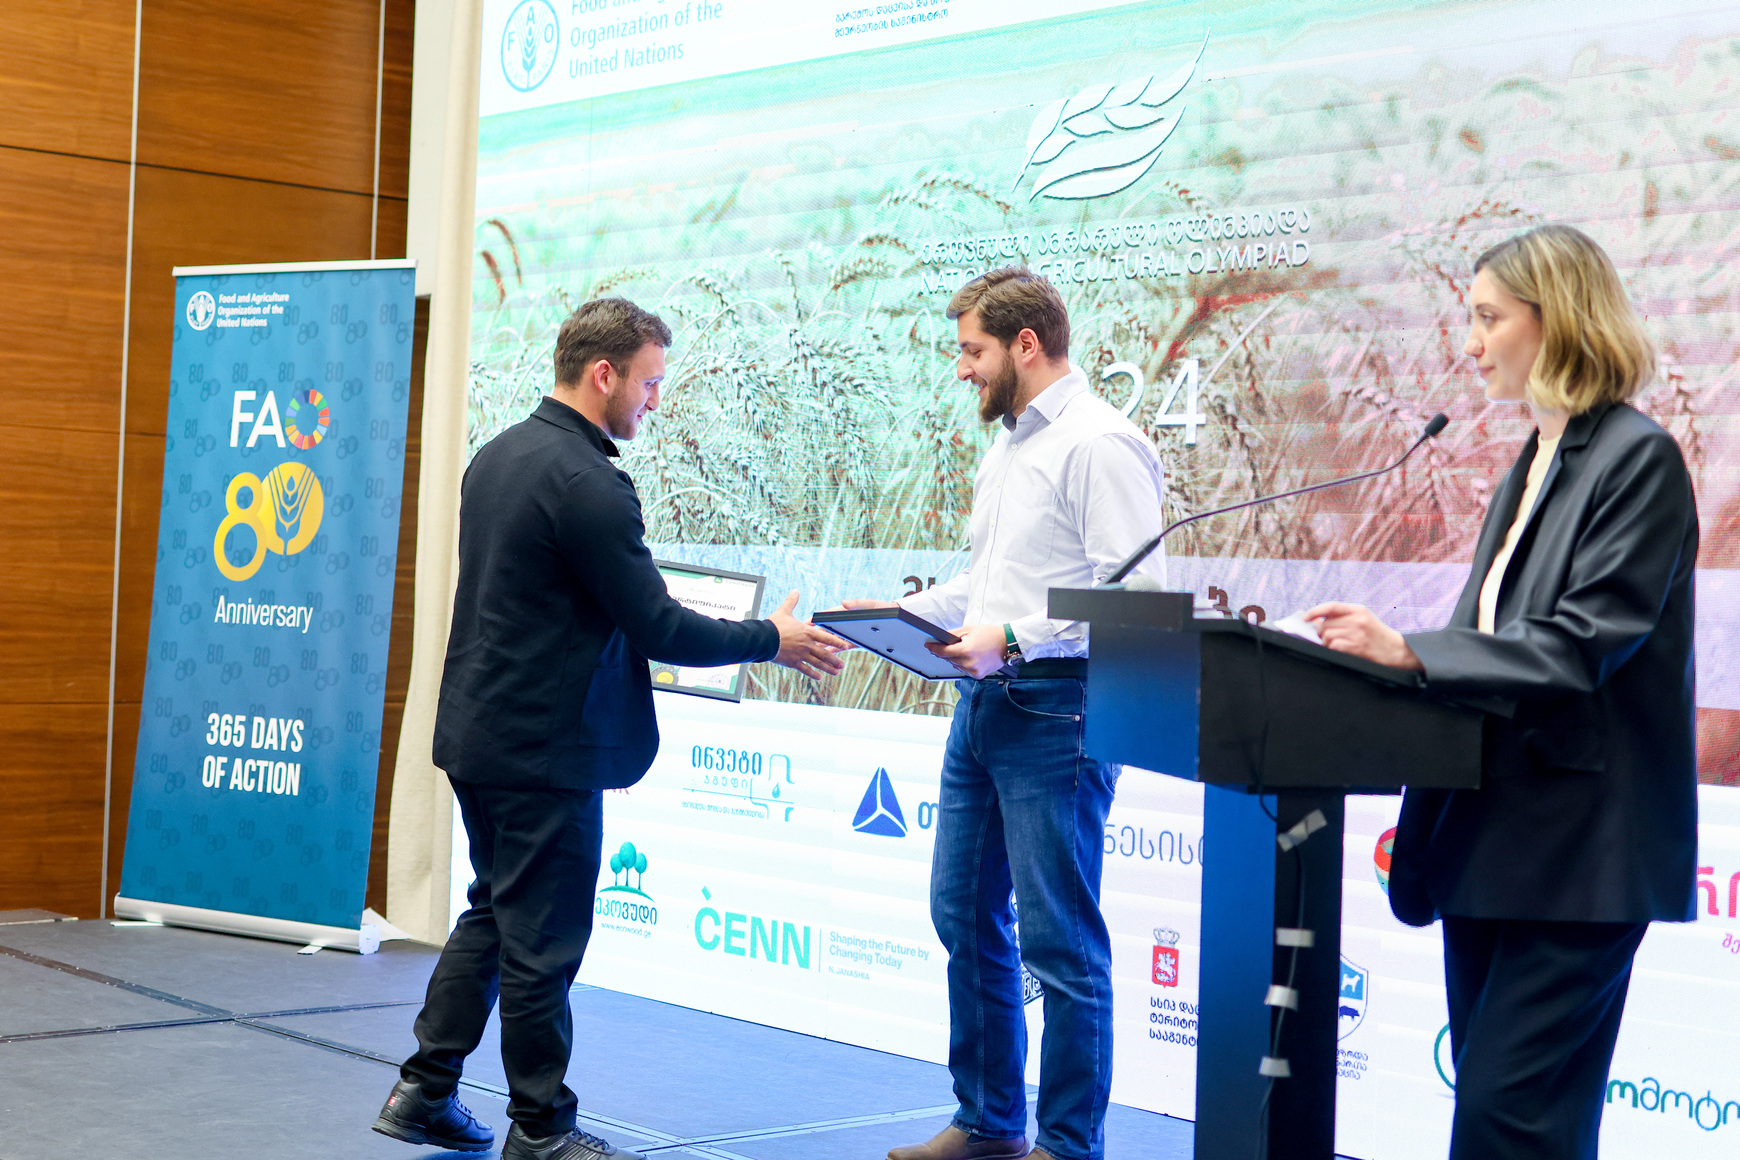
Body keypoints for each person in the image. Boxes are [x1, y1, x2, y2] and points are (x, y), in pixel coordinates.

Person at [370, 297, 848, 1160]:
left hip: (481, 734)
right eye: (650, 382)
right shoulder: (588, 483)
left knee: (497, 912)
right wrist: (769, 638)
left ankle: (423, 1091)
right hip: (543, 752)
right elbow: (660, 627)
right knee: (542, 944)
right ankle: (541, 1130)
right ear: (604, 375)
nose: (656, 400)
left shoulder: (498, 455)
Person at [1304, 224, 1697, 1160]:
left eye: (1488, 318)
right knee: (1517, 1127)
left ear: (1556, 319)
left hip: (1582, 857)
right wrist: (1384, 665)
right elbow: (1495, 640)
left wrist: (1413, 652)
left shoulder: (1636, 459)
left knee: (1504, 1122)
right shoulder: (1535, 458)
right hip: (1494, 839)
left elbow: (1579, 645)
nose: (1470, 343)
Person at [843, 266, 1167, 1160]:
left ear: (1026, 345)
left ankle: (1067, 1146)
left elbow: (1137, 600)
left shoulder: (1101, 443)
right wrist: (898, 617)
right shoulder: (1011, 445)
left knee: (1061, 943)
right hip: (985, 708)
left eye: (972, 350)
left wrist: (1016, 639)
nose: (962, 370)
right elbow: (987, 589)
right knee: (962, 914)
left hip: (1059, 710)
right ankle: (989, 1124)